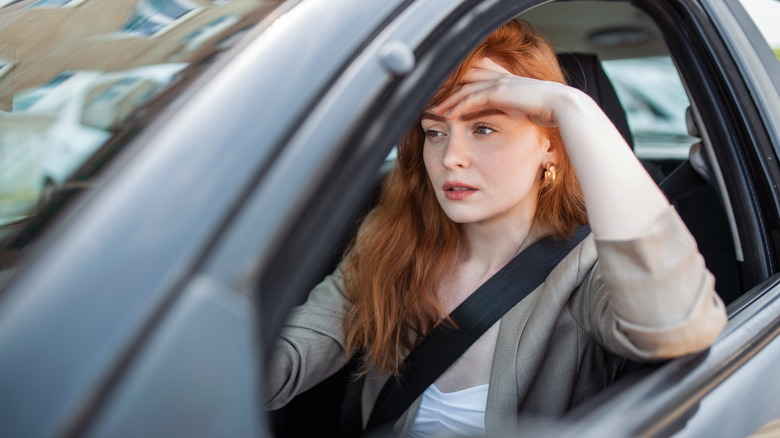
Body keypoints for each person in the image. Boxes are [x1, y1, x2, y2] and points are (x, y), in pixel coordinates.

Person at [265, 19, 727, 437]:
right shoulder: (391, 241)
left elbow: (676, 325)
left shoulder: (585, 270)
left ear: (550, 145)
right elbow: (288, 357)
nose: (450, 158)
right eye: (434, 131)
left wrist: (571, 106)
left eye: (483, 128)